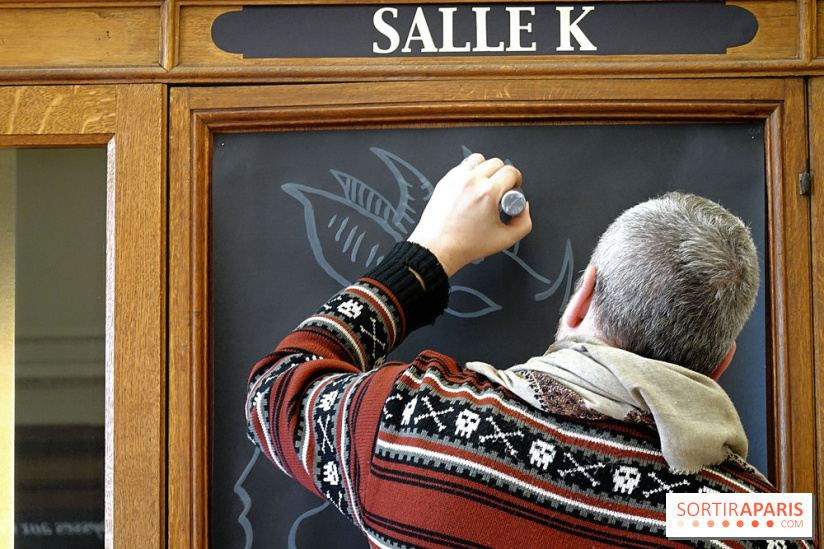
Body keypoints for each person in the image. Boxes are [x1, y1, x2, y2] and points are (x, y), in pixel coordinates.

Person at [245, 154, 813, 548]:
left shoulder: (422, 429)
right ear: (721, 365)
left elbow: (276, 392)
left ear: (580, 295)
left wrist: (430, 252)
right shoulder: (753, 521)